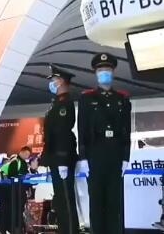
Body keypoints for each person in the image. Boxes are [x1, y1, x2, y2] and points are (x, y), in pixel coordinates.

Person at [77, 53, 131, 234]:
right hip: (95, 154)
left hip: (115, 154)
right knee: (96, 203)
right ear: (95, 73)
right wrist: (83, 157)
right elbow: (82, 129)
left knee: (114, 204)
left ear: (113, 72)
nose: (104, 73)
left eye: (107, 69)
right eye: (100, 70)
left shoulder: (122, 99)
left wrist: (126, 157)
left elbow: (126, 130)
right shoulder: (87, 98)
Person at [40, 69, 80, 234]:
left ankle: (70, 231)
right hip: (55, 158)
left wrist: (63, 160)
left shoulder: (64, 103)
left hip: (62, 158)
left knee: (66, 199)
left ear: (61, 81)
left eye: (54, 79)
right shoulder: (56, 102)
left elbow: (63, 131)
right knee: (60, 201)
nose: (52, 83)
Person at [0, 147, 30, 234]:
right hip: (8, 193)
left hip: (17, 192)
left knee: (17, 212)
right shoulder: (15, 161)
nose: (27, 156)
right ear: (21, 152)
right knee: (10, 212)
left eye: (28, 155)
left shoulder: (23, 163)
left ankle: (16, 229)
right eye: (26, 154)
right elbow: (12, 177)